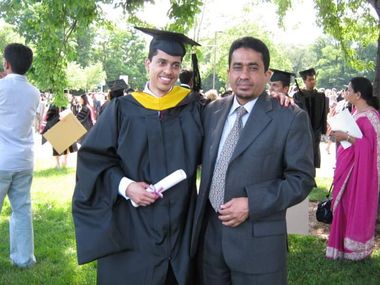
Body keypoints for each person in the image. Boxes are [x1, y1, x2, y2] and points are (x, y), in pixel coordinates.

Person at [72, 27, 204, 285]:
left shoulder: (193, 107)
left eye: (175, 65)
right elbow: (93, 160)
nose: (168, 71)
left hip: (181, 219)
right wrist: (127, 186)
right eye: (162, 62)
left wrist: (277, 102)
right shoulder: (121, 109)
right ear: (148, 63)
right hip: (134, 223)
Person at [191, 36, 315, 284]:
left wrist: (252, 203)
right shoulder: (212, 112)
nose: (244, 75)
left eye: (253, 67)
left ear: (267, 74)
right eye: (237, 67)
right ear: (228, 72)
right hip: (211, 241)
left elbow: (301, 180)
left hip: (259, 246)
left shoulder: (289, 117)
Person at [326, 77, 379, 260]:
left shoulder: (372, 117)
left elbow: (371, 149)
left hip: (360, 174)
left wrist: (347, 137)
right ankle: (339, 248)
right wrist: (338, 135)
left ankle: (355, 251)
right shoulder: (355, 113)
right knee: (343, 206)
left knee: (353, 207)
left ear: (358, 94)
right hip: (348, 170)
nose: (345, 92)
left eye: (348, 90)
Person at [0, 43, 40, 268]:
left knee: (22, 211)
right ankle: (24, 259)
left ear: (7, 63)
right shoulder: (34, 92)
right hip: (24, 159)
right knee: (22, 211)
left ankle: (23, 259)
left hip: (2, 159)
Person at [293, 68, 328, 168]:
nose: (313, 82)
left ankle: (312, 178)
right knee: (303, 156)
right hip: (303, 131)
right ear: (304, 81)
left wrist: (323, 132)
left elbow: (323, 115)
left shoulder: (321, 96)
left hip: (316, 132)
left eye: (313, 79)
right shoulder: (298, 96)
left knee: (314, 156)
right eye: (310, 80)